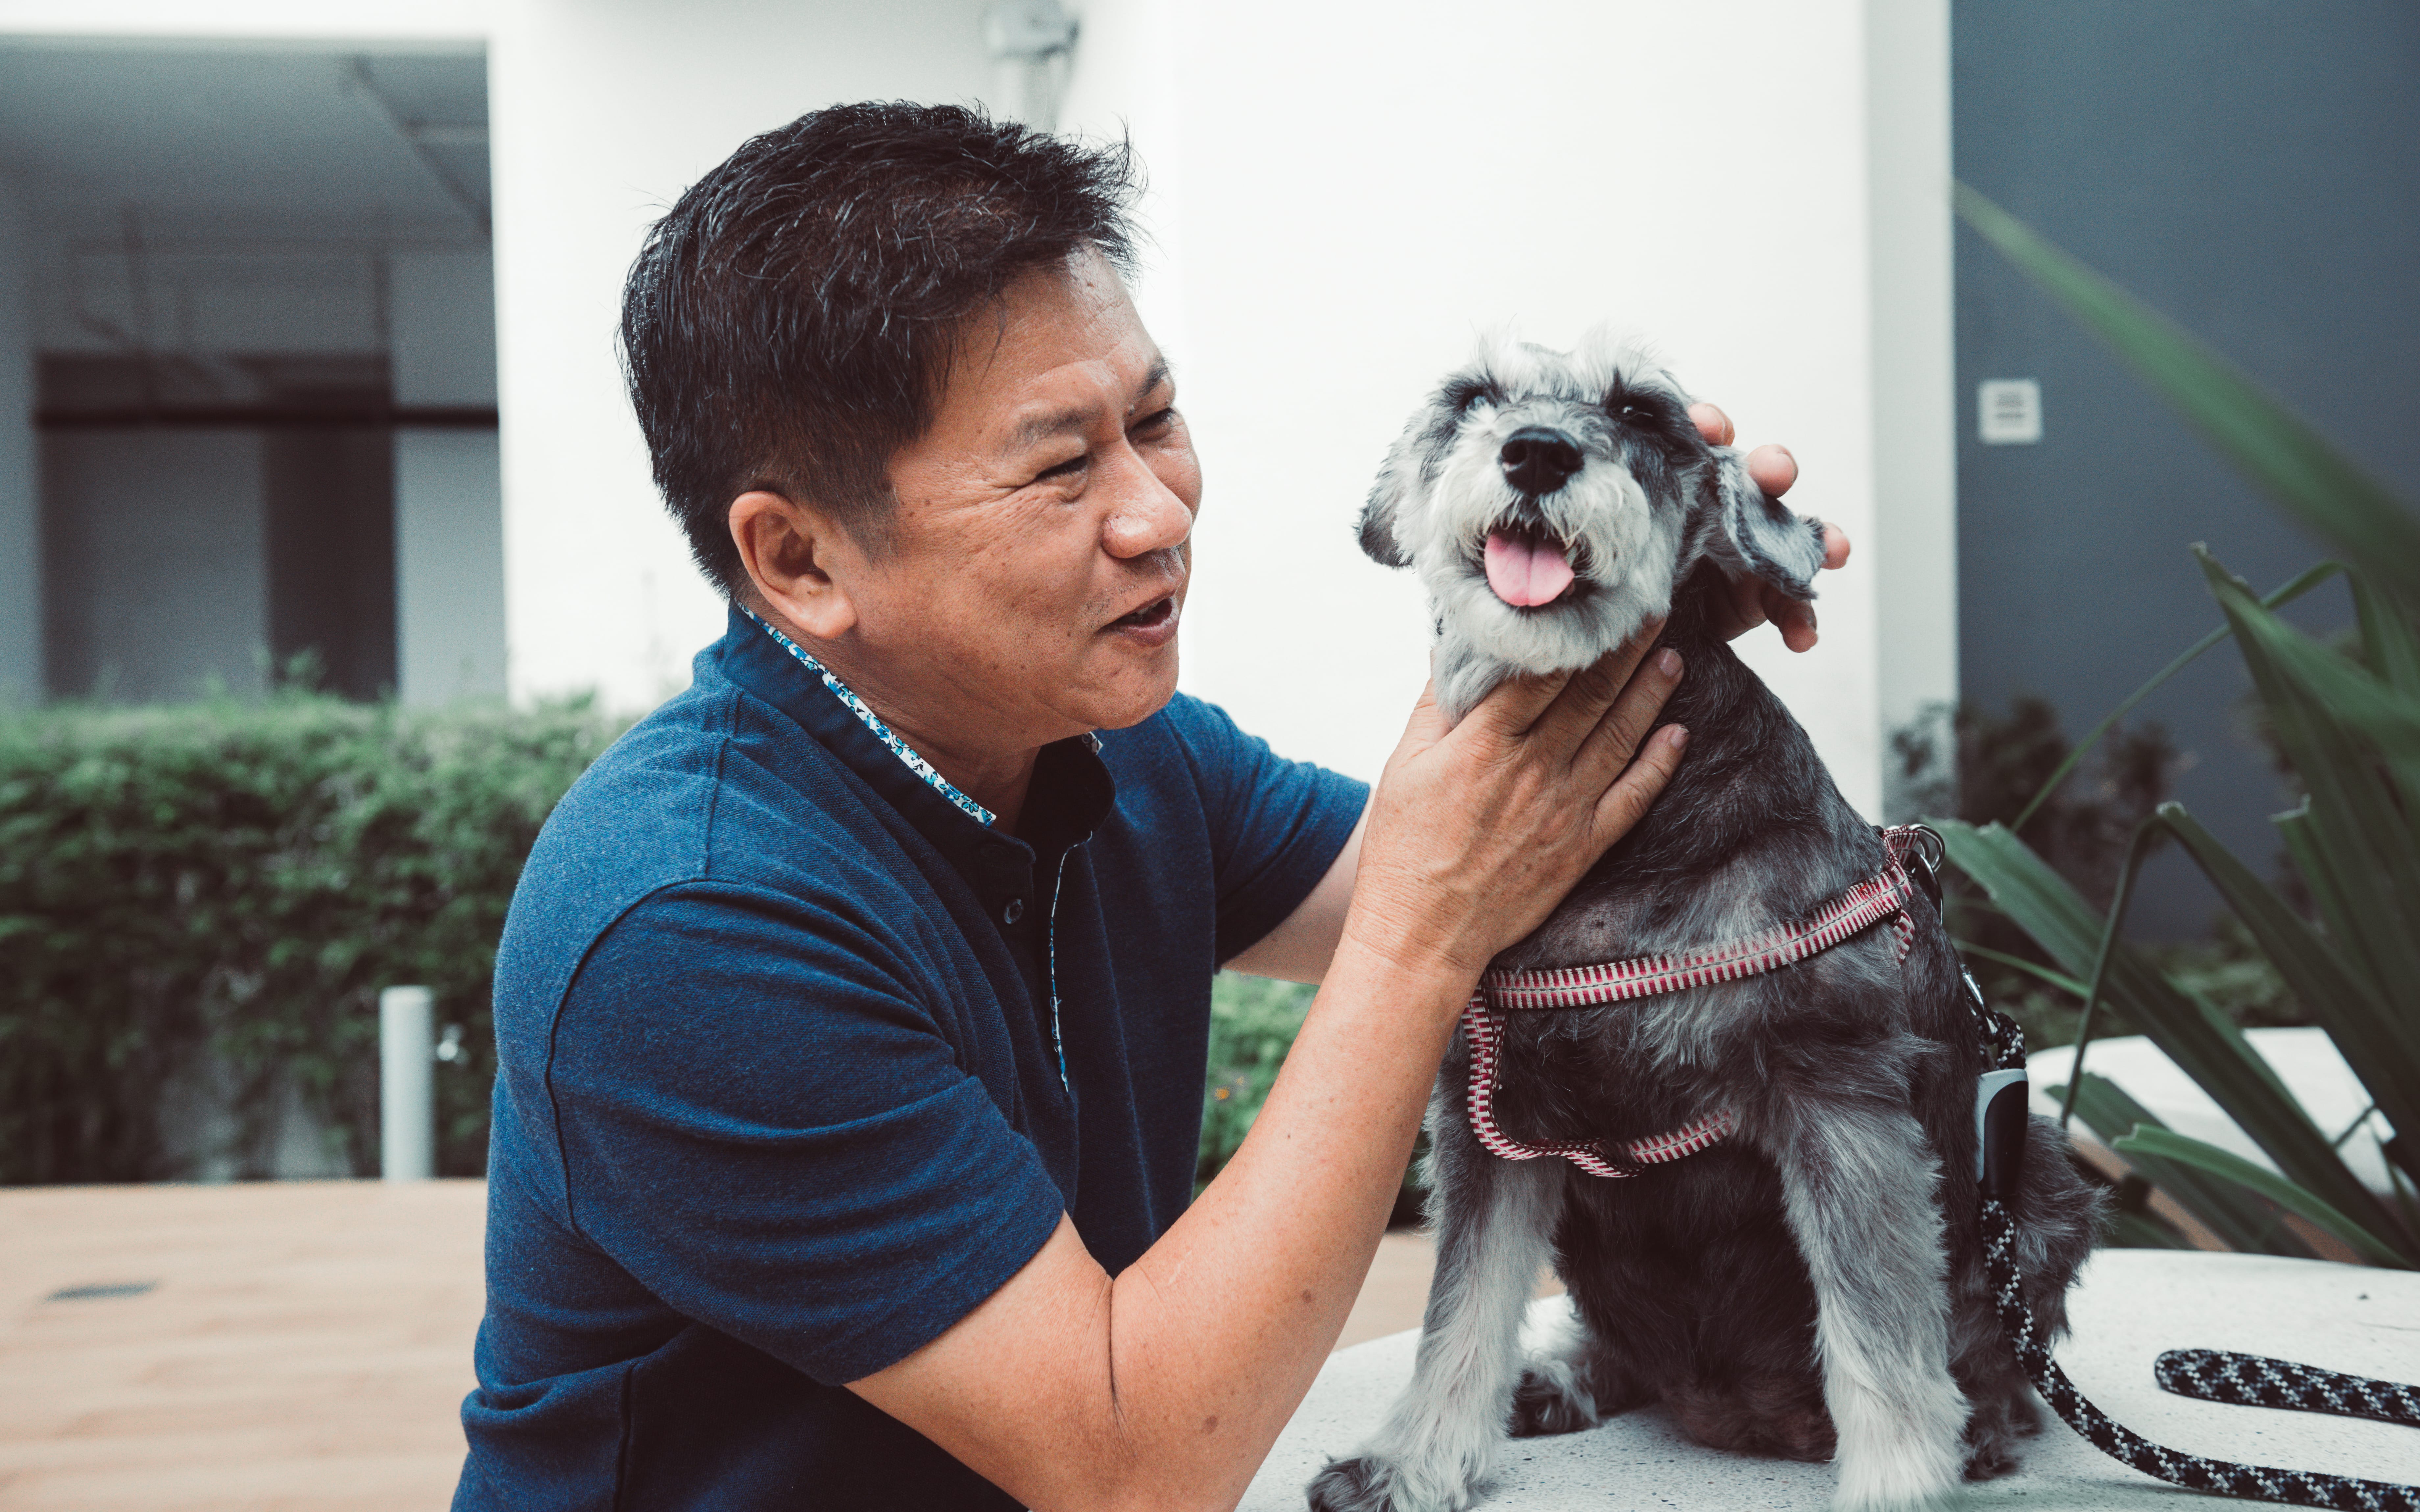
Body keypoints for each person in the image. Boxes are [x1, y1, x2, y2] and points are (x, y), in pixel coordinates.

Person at [452, 102, 1843, 1512]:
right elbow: (1132, 1463)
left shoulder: (1118, 752)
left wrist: (1638, 614)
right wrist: (1423, 938)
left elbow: (1519, 878)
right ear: (800, 559)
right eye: (1062, 465)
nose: (1158, 512)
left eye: (1156, 419)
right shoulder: (689, 929)